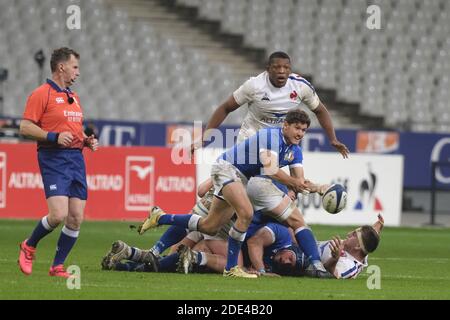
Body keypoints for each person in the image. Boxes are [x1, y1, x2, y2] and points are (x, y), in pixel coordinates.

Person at [138, 109, 323, 278]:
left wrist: (318, 188)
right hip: (228, 168)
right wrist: (296, 183)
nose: (300, 133)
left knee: (210, 225)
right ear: (286, 126)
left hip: (240, 178)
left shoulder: (295, 151)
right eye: (297, 128)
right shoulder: (271, 136)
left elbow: (299, 181)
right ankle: (231, 268)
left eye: (304, 130)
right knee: (246, 213)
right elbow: (272, 170)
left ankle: (160, 217)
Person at [17, 47, 98, 278]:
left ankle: (57, 267)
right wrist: (52, 136)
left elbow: (74, 131)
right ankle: (29, 245)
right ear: (61, 67)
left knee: (76, 217)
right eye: (75, 67)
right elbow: (25, 127)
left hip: (75, 159)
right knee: (57, 215)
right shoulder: (42, 94)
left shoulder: (73, 97)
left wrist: (86, 141)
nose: (78, 73)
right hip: (53, 158)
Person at [192, 51, 349, 158]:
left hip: (277, 142)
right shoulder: (254, 86)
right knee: (243, 188)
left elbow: (320, 110)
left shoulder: (301, 86)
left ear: (290, 70)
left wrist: (332, 138)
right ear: (268, 69)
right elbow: (225, 108)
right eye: (277, 67)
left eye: (286, 67)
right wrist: (205, 137)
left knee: (263, 193)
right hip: (250, 138)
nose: (281, 71)